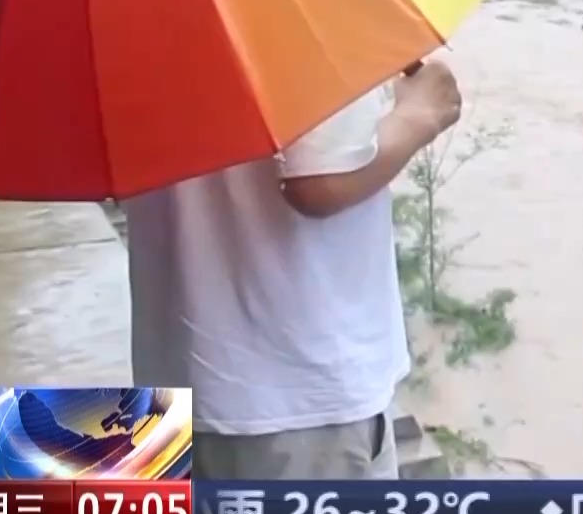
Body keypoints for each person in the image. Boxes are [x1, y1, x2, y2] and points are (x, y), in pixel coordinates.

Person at [123, 60, 463, 479]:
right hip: (297, 391)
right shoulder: (307, 22)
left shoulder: (132, 24)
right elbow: (321, 181)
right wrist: (419, 116)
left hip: (175, 374)